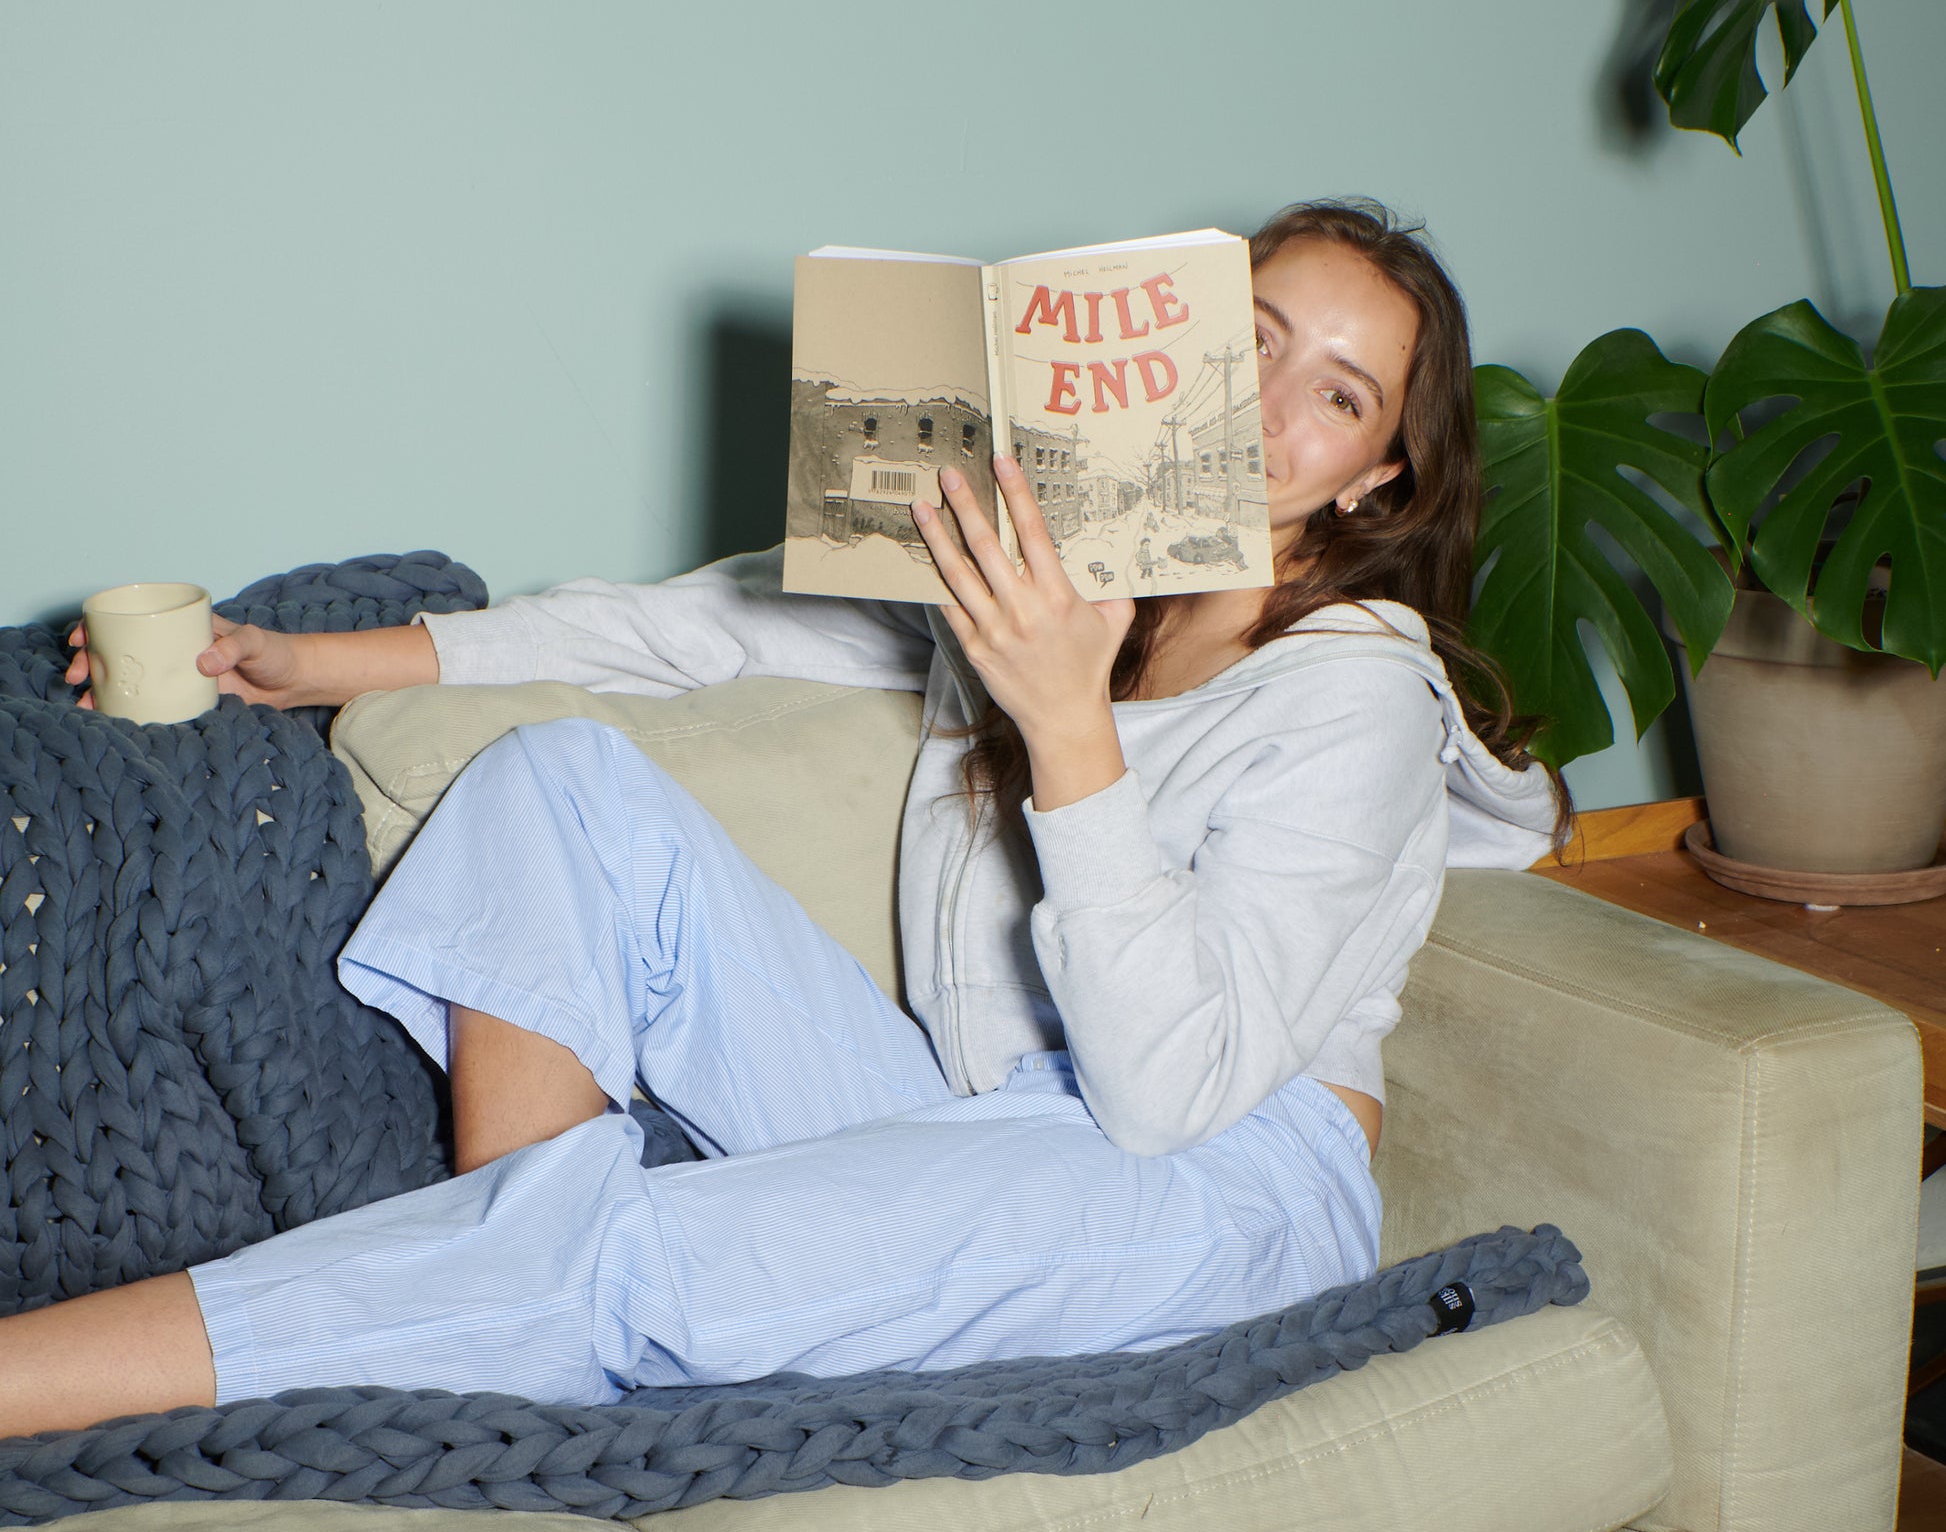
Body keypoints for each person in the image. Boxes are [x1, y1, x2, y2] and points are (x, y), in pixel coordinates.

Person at [6, 200, 1562, 1442]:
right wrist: (307, 664)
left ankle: (95, 1369)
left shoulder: (1350, 696)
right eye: (1252, 338)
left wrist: (1070, 726)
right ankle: (535, 1309)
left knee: (616, 1257)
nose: (1271, 406)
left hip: (1215, 1185)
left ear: (1377, 479)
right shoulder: (1036, 574)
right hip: (973, 1126)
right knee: (558, 785)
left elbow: (1166, 1098)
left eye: (1336, 396)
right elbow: (698, 631)